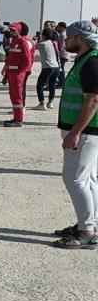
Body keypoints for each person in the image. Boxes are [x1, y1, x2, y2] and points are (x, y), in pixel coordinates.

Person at [53, 20, 98, 250]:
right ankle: (89, 224)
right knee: (88, 179)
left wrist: (75, 132)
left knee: (75, 179)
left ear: (80, 39)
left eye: (69, 37)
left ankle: (87, 231)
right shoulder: (86, 59)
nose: (66, 41)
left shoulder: (91, 62)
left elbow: (93, 100)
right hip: (85, 131)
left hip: (85, 132)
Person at [4, 22, 34, 127]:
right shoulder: (14, 42)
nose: (11, 32)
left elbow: (27, 61)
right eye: (11, 30)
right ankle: (15, 117)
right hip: (11, 73)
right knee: (13, 95)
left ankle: (19, 120)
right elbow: (10, 57)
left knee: (17, 96)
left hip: (17, 74)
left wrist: (20, 72)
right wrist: (5, 69)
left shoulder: (23, 42)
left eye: (13, 30)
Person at [33, 29, 61, 111]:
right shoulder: (53, 43)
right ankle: (50, 102)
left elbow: (32, 47)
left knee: (40, 85)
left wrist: (34, 39)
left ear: (43, 35)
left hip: (47, 68)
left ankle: (42, 103)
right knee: (52, 85)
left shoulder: (42, 44)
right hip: (56, 67)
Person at [55, 22, 69, 88]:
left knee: (61, 69)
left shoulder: (62, 35)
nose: (57, 27)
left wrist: (57, 52)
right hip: (64, 54)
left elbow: (61, 46)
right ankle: (61, 82)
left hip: (62, 54)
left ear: (62, 27)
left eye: (59, 26)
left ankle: (61, 83)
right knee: (61, 68)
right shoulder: (65, 34)